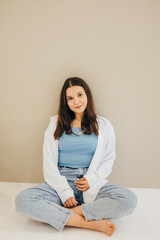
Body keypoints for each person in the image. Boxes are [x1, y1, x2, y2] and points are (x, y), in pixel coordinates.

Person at [15, 77, 137, 237]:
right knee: (23, 200)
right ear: (65, 102)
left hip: (92, 181)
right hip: (60, 181)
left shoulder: (104, 125)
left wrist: (91, 180)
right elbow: (49, 162)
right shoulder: (54, 123)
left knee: (129, 200)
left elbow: (108, 159)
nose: (76, 101)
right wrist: (64, 192)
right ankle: (88, 224)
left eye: (80, 95)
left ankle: (70, 213)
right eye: (70, 98)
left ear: (87, 95)